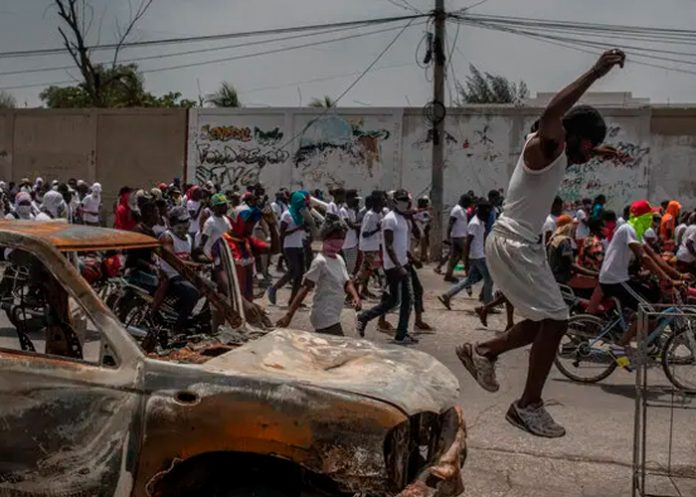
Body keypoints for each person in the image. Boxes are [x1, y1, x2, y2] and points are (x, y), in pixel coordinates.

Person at [456, 49, 627, 438]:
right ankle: (527, 405)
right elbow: (555, 113)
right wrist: (596, 72)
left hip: (518, 243)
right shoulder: (546, 144)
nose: (587, 155)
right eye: (588, 146)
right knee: (559, 320)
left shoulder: (562, 153)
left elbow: (575, 144)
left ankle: (483, 352)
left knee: (541, 323)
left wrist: (602, 152)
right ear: (572, 136)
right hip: (515, 242)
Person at [599, 200, 689, 365]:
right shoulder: (628, 229)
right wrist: (668, 280)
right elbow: (645, 257)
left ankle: (646, 340)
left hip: (622, 278)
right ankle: (619, 347)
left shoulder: (636, 232)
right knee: (647, 309)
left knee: (653, 301)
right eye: (649, 216)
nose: (651, 220)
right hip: (614, 279)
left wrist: (679, 276)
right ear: (641, 216)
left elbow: (654, 256)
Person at [276, 214, 362, 335]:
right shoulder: (320, 262)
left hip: (334, 313)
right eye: (337, 237)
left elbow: (347, 281)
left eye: (343, 237)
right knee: (338, 345)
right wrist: (289, 315)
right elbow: (305, 288)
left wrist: (355, 296)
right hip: (324, 315)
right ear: (327, 236)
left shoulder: (338, 259)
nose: (340, 241)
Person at [356, 189, 419, 345]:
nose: (406, 202)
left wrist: (410, 258)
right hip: (393, 266)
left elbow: (402, 243)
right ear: (395, 201)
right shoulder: (389, 220)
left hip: (403, 263)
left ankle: (399, 332)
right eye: (402, 199)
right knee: (399, 300)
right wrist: (399, 266)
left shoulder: (403, 219)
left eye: (407, 199)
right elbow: (389, 246)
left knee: (401, 300)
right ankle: (366, 318)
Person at [439, 199, 494, 310]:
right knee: (489, 279)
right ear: (482, 212)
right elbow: (467, 243)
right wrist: (466, 260)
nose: (488, 216)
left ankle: (447, 295)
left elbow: (480, 240)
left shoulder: (481, 222)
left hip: (479, 254)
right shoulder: (474, 224)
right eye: (487, 213)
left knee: (470, 280)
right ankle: (488, 305)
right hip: (477, 257)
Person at [159, 207, 202, 334]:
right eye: (182, 221)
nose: (185, 224)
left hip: (185, 275)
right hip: (171, 276)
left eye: (187, 221)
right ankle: (177, 329)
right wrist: (194, 264)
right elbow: (172, 260)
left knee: (211, 287)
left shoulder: (189, 238)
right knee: (193, 292)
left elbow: (193, 255)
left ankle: (183, 312)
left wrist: (210, 260)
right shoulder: (167, 237)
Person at [267, 191, 310, 306]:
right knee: (293, 271)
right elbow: (282, 233)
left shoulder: (300, 214)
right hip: (289, 246)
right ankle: (274, 288)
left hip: (299, 245)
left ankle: (293, 300)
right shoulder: (287, 214)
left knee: (299, 274)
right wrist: (297, 229)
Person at [356, 192, 383, 299]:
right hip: (368, 247)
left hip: (375, 246)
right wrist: (377, 229)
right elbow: (365, 233)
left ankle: (363, 291)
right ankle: (351, 294)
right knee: (363, 272)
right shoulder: (370, 215)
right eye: (382, 201)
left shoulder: (378, 214)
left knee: (369, 271)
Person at [444, 194, 472, 283]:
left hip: (460, 236)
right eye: (468, 203)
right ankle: (469, 275)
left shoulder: (462, 210)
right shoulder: (457, 210)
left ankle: (448, 275)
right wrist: (448, 237)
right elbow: (450, 223)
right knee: (466, 256)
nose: (469, 205)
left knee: (455, 258)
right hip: (458, 237)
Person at [199, 193, 232, 259]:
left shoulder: (226, 220)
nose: (226, 207)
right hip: (212, 256)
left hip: (223, 255)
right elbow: (202, 242)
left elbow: (230, 236)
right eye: (223, 205)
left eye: (225, 204)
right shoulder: (210, 222)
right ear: (215, 207)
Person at [340, 191, 360, 275]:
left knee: (351, 268)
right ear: (348, 199)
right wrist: (363, 225)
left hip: (353, 244)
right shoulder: (343, 211)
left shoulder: (352, 210)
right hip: (345, 245)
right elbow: (351, 225)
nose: (357, 201)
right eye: (354, 199)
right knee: (345, 268)